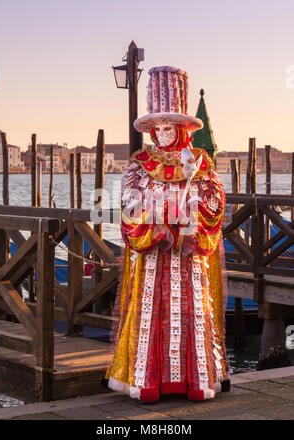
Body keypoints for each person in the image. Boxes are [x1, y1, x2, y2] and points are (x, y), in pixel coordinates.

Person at [104, 66, 230, 403]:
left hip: (190, 261)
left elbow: (214, 204)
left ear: (181, 130)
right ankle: (148, 382)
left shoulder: (201, 164)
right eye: (156, 128)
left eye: (168, 127)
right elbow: (129, 208)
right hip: (152, 261)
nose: (161, 134)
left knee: (193, 312)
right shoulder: (138, 166)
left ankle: (196, 380)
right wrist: (160, 226)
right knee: (150, 313)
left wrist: (192, 223)